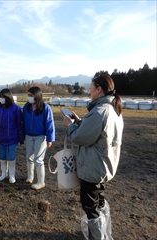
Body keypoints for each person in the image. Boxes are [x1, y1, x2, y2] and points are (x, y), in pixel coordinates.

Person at [62, 75, 124, 239]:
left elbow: (81, 138)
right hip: (103, 165)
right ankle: (103, 232)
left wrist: (69, 126)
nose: (89, 90)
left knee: (90, 206)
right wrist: (80, 122)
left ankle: (98, 236)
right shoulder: (112, 109)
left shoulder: (99, 111)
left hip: (93, 167)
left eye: (91, 87)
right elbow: (96, 133)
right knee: (99, 201)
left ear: (99, 89)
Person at [23, 86, 55, 190]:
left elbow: (49, 123)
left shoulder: (45, 108)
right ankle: (30, 177)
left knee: (38, 159)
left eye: (31, 95)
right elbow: (22, 122)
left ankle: (41, 182)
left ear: (37, 96)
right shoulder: (26, 107)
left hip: (40, 137)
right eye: (28, 95)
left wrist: (50, 139)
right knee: (29, 157)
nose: (29, 97)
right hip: (29, 136)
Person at [0, 88, 24, 183]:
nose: (1, 99)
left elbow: (19, 124)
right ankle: (3, 173)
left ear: (9, 97)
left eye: (3, 97)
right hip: (0, 138)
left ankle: (12, 175)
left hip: (12, 138)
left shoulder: (16, 109)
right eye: (0, 97)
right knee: (2, 156)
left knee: (11, 156)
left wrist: (21, 138)